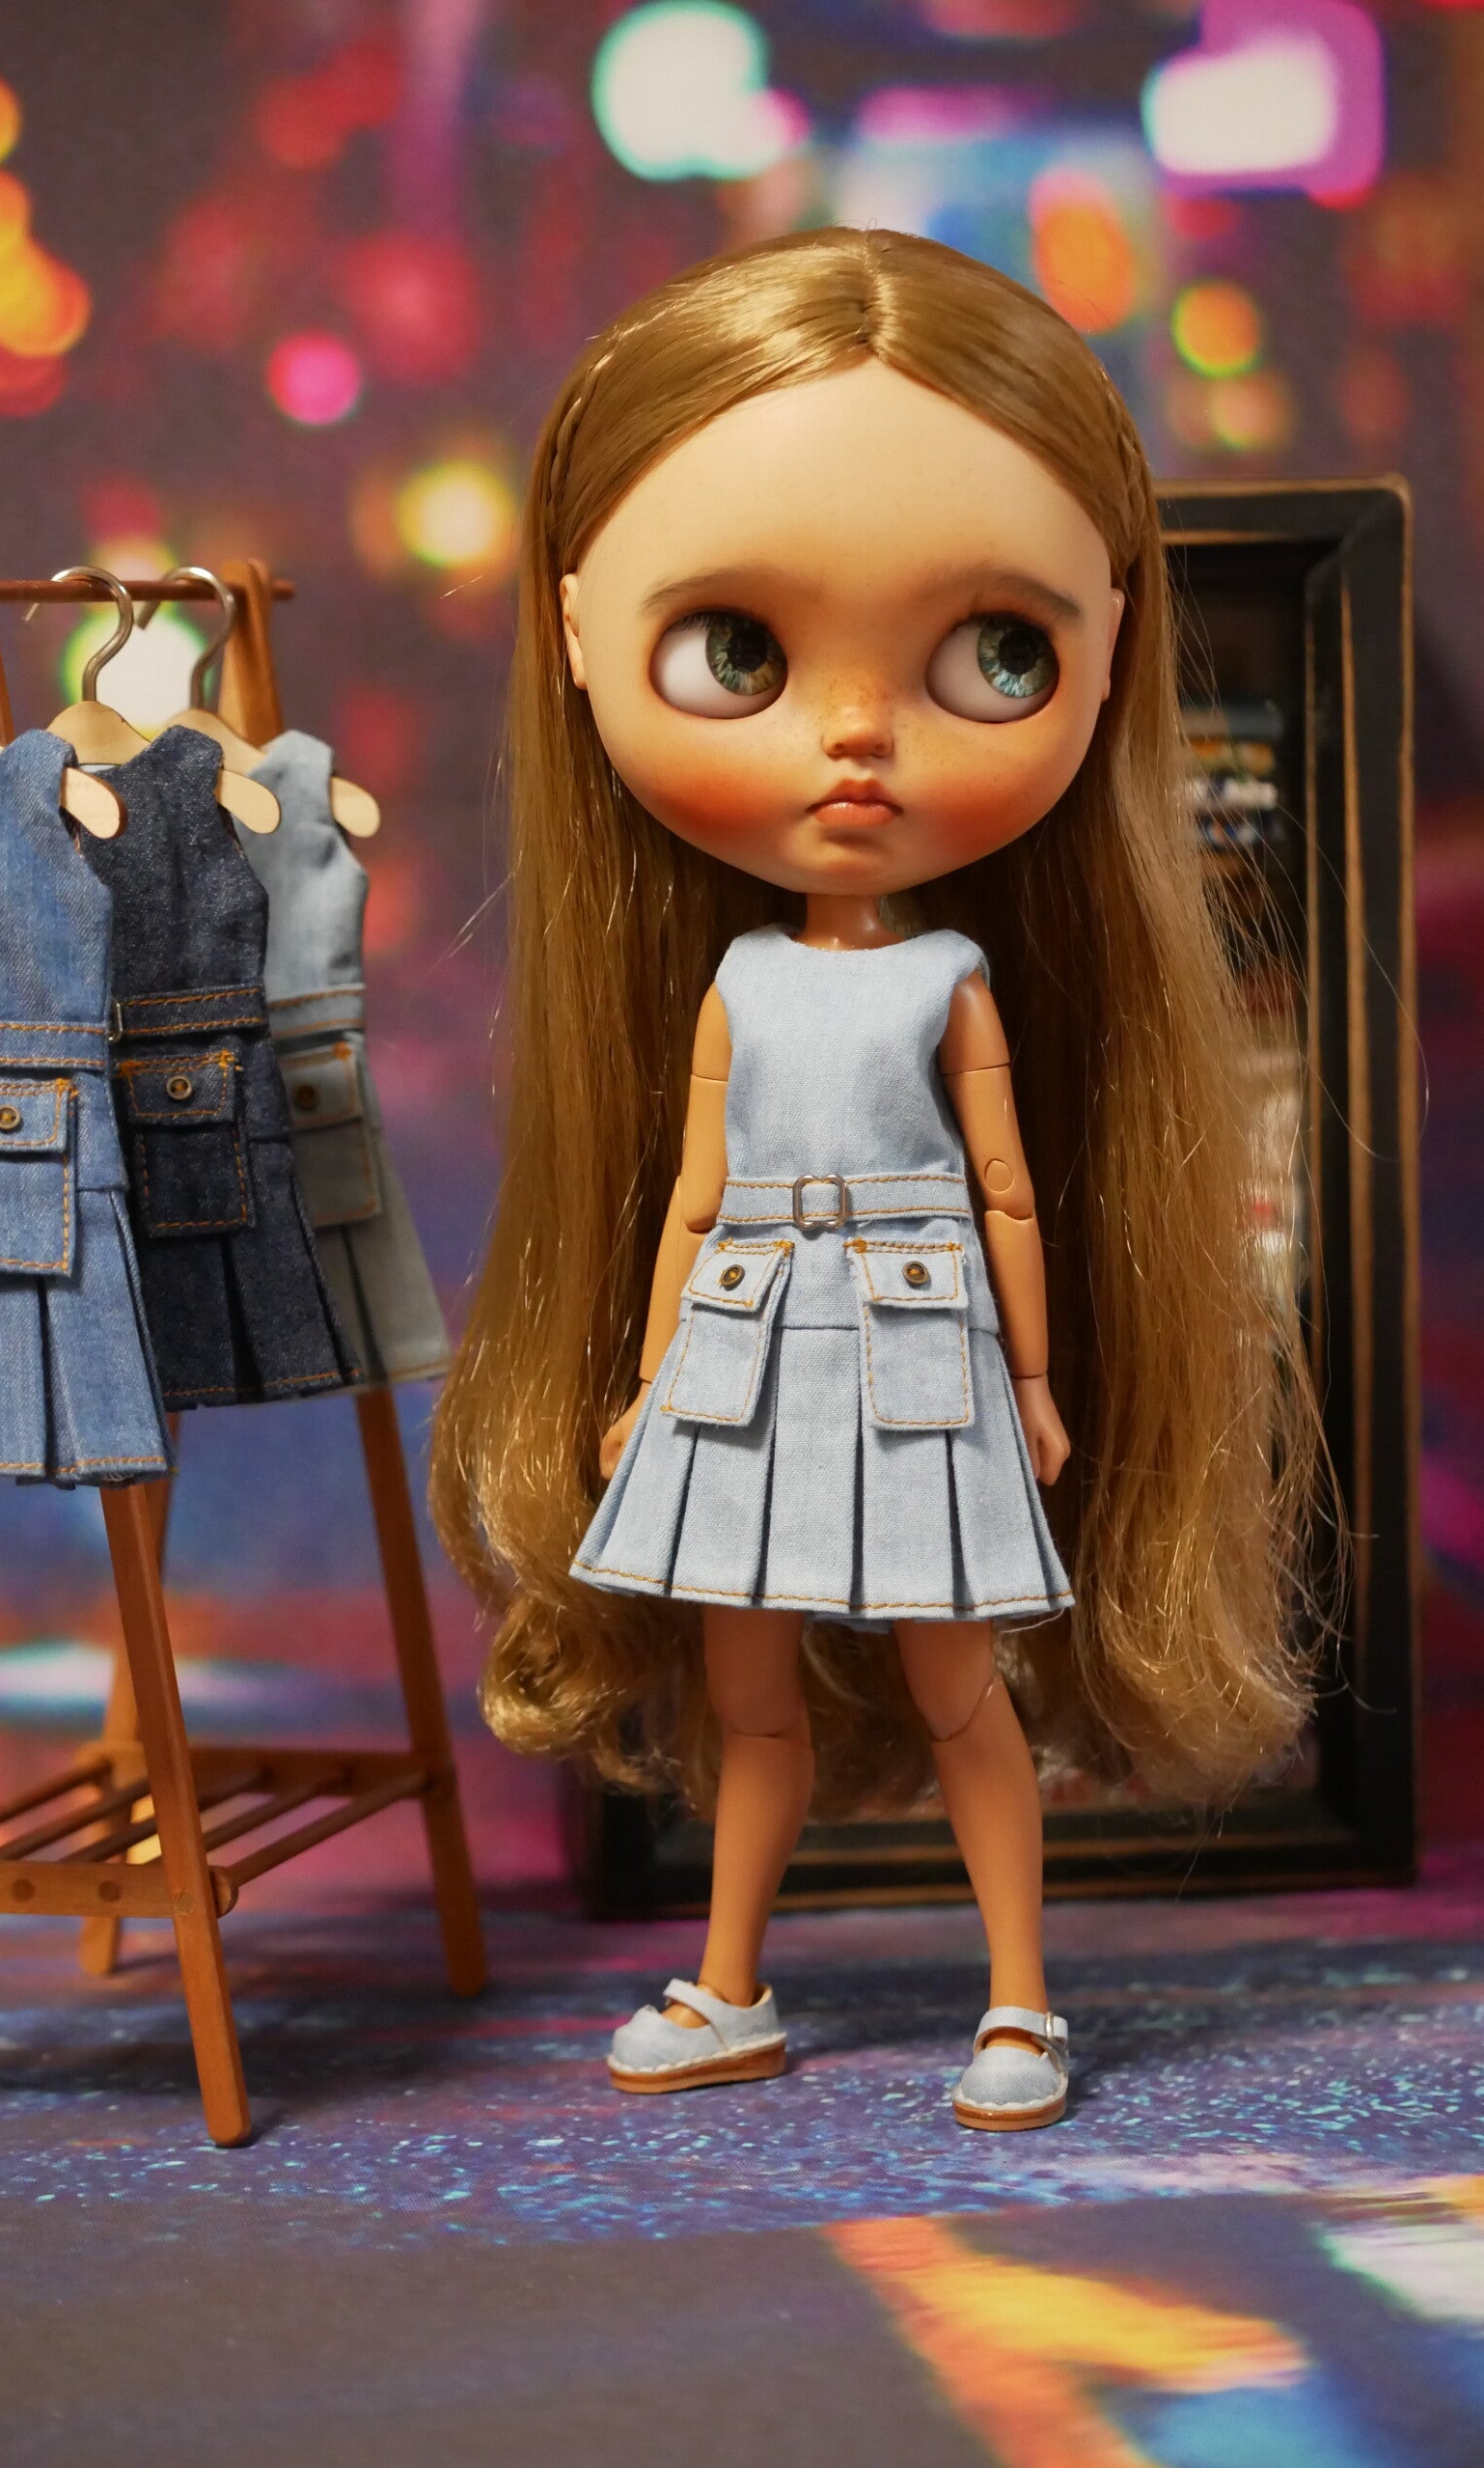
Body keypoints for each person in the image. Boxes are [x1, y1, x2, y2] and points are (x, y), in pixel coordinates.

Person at [431, 228, 1320, 2130]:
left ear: (1109, 648)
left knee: (958, 1683)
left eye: (997, 654)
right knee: (746, 1690)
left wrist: (1032, 1380)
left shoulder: (951, 976)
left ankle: (1021, 1998)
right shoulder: (740, 983)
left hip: (921, 1337)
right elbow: (690, 1198)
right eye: (738, 652)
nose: (853, 735)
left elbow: (1006, 1197)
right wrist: (647, 1377)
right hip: (746, 1339)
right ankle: (731, 1979)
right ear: (577, 632)